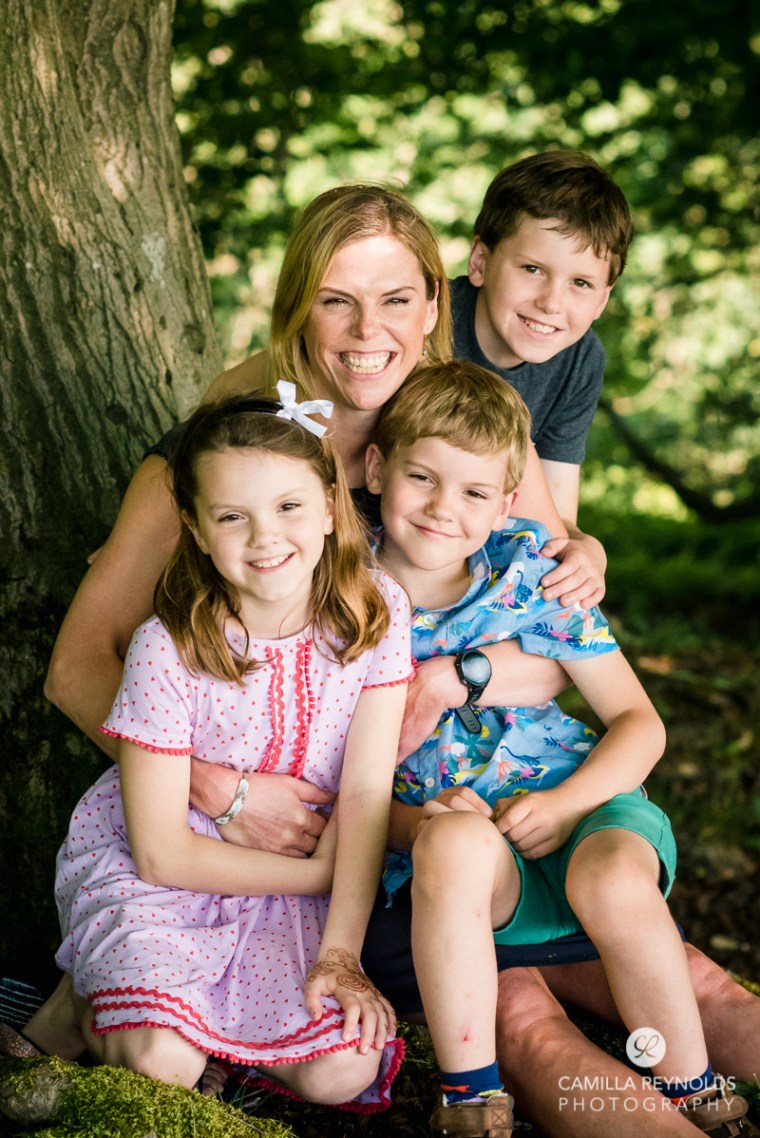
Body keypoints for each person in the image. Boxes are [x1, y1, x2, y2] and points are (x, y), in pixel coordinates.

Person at [37, 182, 759, 1135]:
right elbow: (80, 662)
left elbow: (552, 631)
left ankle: (701, 1096)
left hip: (487, 812)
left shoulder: (459, 438)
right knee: (526, 1018)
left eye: (391, 300)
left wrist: (448, 675)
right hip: (357, 849)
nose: (364, 329)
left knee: (685, 970)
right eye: (335, 299)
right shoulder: (232, 463)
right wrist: (219, 789)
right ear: (299, 307)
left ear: (433, 308)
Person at [363, 360, 754, 1137]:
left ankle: (688, 1084)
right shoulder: (344, 600)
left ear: (509, 504)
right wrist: (418, 824)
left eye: (475, 492)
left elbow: (640, 722)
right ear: (375, 467)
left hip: (585, 814)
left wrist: (566, 801)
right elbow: (335, 775)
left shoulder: (531, 577)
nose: (445, 509)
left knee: (613, 883)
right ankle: (471, 1097)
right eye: (422, 478)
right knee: (454, 847)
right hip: (476, 864)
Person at [20, 388, 414, 1109]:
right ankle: (87, 1007)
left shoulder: (377, 612)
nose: (266, 539)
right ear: (197, 531)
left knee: (342, 1069)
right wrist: (318, 874)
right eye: (233, 517)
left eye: (289, 507)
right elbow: (162, 853)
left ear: (332, 506)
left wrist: (340, 953)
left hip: (287, 901)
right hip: (170, 880)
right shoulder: (166, 649)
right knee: (160, 1060)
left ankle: (204, 1044)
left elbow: (363, 793)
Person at [451, 149, 632, 535]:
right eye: (533, 269)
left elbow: (555, 519)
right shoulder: (429, 321)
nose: (551, 303)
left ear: (603, 299)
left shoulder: (580, 360)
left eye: (580, 283)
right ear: (480, 261)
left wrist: (585, 548)